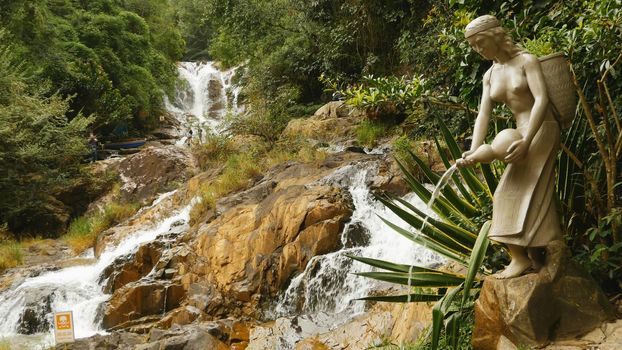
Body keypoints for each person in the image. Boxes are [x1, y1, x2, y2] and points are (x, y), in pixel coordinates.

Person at [457, 15, 562, 279]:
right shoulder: (490, 75)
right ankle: (535, 255)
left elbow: (541, 99)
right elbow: (483, 114)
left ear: (495, 35)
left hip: (541, 129)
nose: (478, 49)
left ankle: (524, 258)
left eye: (480, 42)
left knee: (510, 192)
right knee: (520, 192)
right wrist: (475, 147)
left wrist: (527, 140)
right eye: (473, 46)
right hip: (518, 134)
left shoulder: (527, 61)